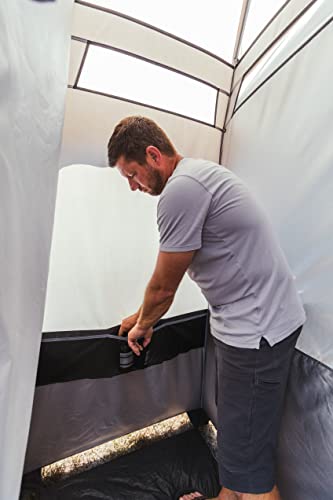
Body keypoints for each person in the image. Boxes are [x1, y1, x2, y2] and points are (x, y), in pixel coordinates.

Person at [107, 116, 306, 500]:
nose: (133, 186)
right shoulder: (199, 175)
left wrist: (143, 325)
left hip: (256, 333)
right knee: (237, 436)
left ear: (153, 155)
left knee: (251, 465)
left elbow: (164, 288)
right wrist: (139, 315)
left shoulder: (182, 190)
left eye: (132, 175)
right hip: (252, 325)